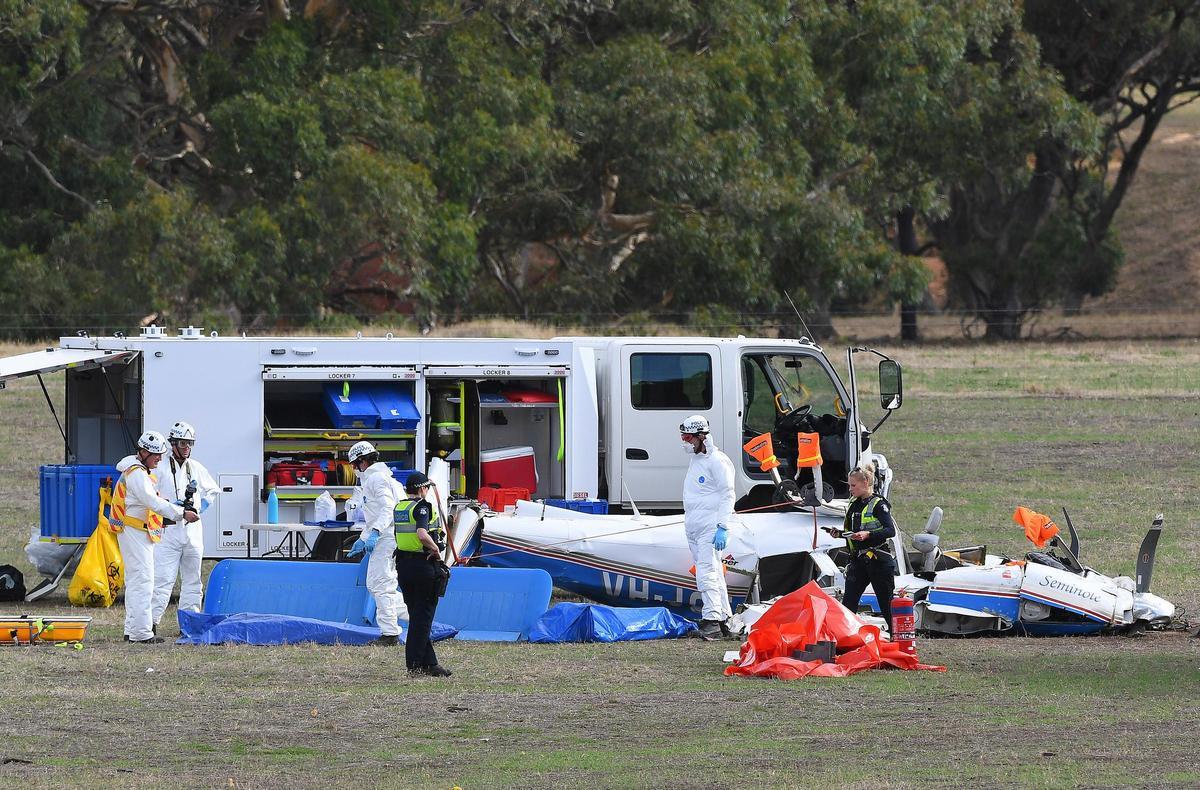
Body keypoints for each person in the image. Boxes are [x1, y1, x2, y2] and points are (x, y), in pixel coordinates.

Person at [110, 430, 197, 643]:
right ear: (144, 452)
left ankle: (133, 630)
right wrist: (180, 514)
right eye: (156, 455)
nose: (159, 458)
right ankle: (141, 633)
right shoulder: (138, 474)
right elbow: (152, 502)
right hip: (135, 532)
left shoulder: (138, 471)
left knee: (137, 581)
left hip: (137, 531)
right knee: (143, 581)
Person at [151, 421, 219, 631]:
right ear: (172, 443)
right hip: (168, 531)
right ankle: (150, 624)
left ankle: (190, 624)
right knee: (163, 580)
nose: (186, 448)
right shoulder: (160, 467)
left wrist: (200, 508)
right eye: (182, 443)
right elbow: (149, 496)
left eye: (190, 444)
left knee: (193, 581)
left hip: (192, 532)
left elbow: (213, 491)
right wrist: (172, 507)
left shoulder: (195, 467)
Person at [679, 414, 736, 640]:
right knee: (713, 573)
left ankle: (711, 620)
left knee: (707, 573)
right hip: (695, 526)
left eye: (689, 437)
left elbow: (728, 494)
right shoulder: (697, 459)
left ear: (701, 436)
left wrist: (723, 526)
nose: (685, 442)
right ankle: (724, 620)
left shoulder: (717, 461)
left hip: (710, 528)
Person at [392, 470, 452, 676]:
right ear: (421, 489)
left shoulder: (400, 507)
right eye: (426, 488)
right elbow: (421, 533)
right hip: (423, 565)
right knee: (423, 617)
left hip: (403, 566)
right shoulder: (422, 506)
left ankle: (430, 663)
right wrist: (435, 548)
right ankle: (415, 664)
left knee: (416, 615)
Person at [345, 440, 404, 647]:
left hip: (386, 538)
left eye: (354, 465)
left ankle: (390, 634)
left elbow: (388, 509)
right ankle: (414, 614)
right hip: (386, 537)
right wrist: (362, 539)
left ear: (362, 461)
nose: (353, 469)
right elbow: (376, 514)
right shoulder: (381, 478)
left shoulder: (377, 479)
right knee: (379, 585)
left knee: (381, 585)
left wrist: (376, 533)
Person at [834, 464, 897, 633]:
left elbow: (890, 530)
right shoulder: (854, 504)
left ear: (866, 482)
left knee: (886, 602)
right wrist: (840, 534)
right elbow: (854, 533)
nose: (850, 489)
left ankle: (897, 637)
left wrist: (868, 534)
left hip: (878, 560)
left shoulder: (879, 504)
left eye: (853, 485)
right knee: (848, 602)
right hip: (858, 560)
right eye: (849, 485)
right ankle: (845, 637)